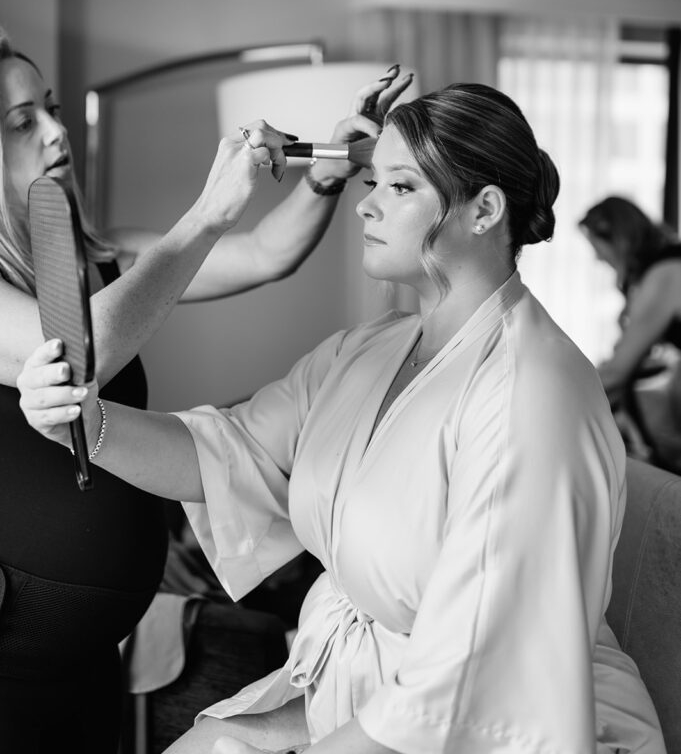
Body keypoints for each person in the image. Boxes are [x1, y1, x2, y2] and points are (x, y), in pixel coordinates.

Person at [19, 83, 665, 754]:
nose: (365, 203)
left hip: (490, 722)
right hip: (367, 690)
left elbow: (472, 679)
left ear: (485, 210)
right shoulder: (370, 349)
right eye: (371, 180)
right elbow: (233, 450)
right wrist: (88, 422)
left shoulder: (532, 392)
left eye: (401, 186)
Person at [0, 29, 411, 754]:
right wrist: (208, 211)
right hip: (15, 661)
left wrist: (324, 172)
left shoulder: (101, 256)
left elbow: (266, 254)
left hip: (90, 655)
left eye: (52, 107)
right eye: (22, 121)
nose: (56, 130)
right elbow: (72, 350)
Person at [579, 195, 681, 469]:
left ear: (618, 239)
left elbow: (619, 370)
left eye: (598, 247)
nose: (598, 258)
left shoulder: (665, 274)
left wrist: (566, 396)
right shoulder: (660, 270)